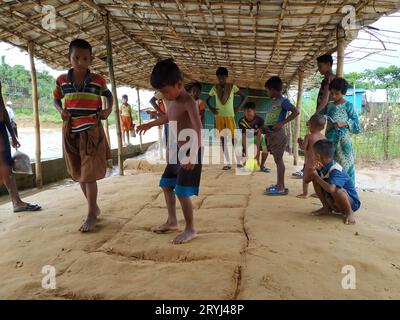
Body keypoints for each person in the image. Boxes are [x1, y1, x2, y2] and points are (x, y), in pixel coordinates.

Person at [136, 59, 202, 245]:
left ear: (179, 85)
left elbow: (198, 129)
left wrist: (191, 154)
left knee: (182, 191)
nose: (164, 95)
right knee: (166, 184)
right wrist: (150, 124)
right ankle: (173, 221)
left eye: (165, 91)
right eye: (161, 92)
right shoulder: (171, 99)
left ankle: (190, 229)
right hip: (177, 150)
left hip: (191, 149)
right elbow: (168, 116)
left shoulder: (188, 101)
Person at [53, 39, 113, 232]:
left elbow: (108, 95)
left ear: (91, 59)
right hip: (71, 131)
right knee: (79, 173)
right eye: (76, 57)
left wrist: (108, 110)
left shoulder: (98, 80)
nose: (80, 61)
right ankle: (93, 208)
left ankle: (90, 214)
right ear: (69, 57)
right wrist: (60, 110)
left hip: (91, 130)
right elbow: (55, 98)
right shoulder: (62, 80)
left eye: (85, 58)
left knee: (89, 175)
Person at [292, 53, 335, 178]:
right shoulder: (327, 79)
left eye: (320, 66)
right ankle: (309, 167)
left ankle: (311, 168)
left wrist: (316, 114)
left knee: (316, 141)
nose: (319, 68)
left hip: (324, 113)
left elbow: (326, 98)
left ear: (328, 65)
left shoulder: (329, 79)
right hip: (324, 113)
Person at [0, 81, 41, 212]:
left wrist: (12, 134)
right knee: (5, 167)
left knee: (6, 166)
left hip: (1, 129)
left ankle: (16, 202)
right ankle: (16, 202)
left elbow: (3, 110)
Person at [305, 139, 360, 225]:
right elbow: (306, 180)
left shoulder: (336, 169)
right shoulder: (321, 166)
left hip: (351, 202)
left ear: (318, 156)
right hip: (335, 201)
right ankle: (326, 208)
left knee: (337, 190)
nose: (312, 157)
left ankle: (349, 212)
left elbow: (331, 189)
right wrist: (311, 170)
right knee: (316, 180)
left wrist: (316, 176)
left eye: (313, 154)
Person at [318, 77, 360, 185]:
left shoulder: (348, 106)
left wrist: (344, 123)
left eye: (337, 93)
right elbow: (319, 116)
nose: (333, 96)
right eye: (331, 93)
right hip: (330, 143)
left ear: (343, 92)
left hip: (343, 144)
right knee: (329, 166)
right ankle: (328, 190)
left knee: (346, 167)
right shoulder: (329, 105)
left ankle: (348, 192)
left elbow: (357, 127)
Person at [263, 76, 299, 196]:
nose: (267, 93)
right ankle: (279, 184)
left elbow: (295, 112)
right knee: (277, 160)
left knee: (279, 161)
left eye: (267, 90)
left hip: (277, 134)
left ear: (273, 89)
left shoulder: (283, 101)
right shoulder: (274, 101)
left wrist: (282, 123)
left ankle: (281, 187)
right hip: (272, 134)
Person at [206, 67, 247, 170]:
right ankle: (227, 163)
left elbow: (244, 97)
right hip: (219, 117)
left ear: (227, 77)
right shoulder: (215, 88)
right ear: (217, 78)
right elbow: (207, 100)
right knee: (223, 140)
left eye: (223, 78)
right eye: (219, 78)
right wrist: (211, 109)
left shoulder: (232, 87)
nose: (221, 80)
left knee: (233, 139)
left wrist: (238, 107)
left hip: (230, 117)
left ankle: (239, 161)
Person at [296, 114, 326, 199]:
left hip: (309, 163)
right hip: (320, 164)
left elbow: (303, 147)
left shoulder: (309, 136)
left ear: (310, 125)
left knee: (306, 179)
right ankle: (318, 193)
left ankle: (305, 194)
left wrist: (300, 142)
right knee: (318, 179)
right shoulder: (324, 137)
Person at [238, 101, 270, 173]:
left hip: (259, 136)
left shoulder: (260, 120)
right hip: (247, 137)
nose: (248, 113)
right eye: (246, 111)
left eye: (249, 111)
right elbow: (243, 135)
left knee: (265, 152)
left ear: (254, 111)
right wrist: (246, 149)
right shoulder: (241, 121)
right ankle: (245, 164)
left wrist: (257, 149)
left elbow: (259, 134)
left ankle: (262, 166)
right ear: (244, 112)